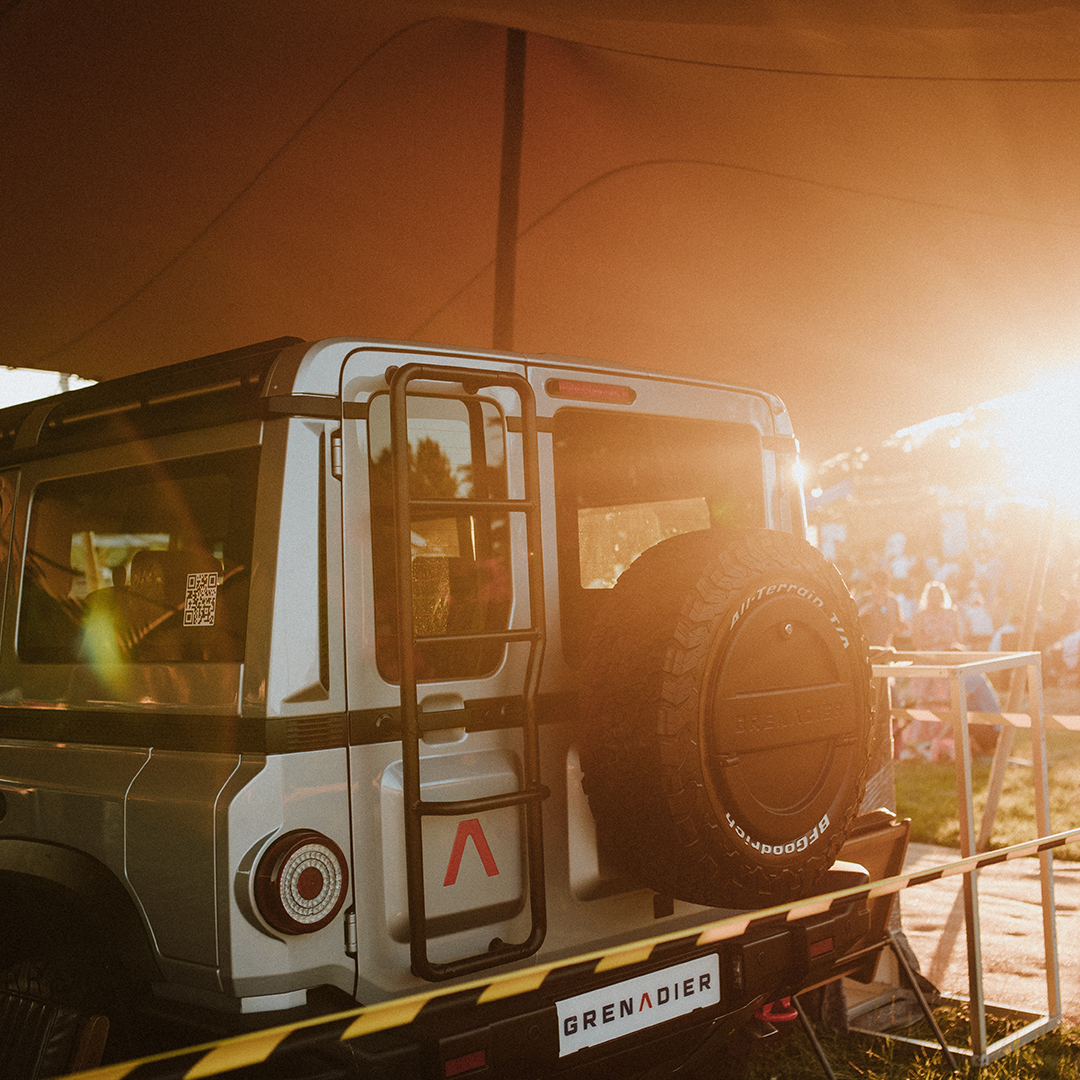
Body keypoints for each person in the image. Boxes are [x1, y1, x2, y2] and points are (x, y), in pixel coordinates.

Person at [858, 569, 907, 648]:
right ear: (872, 583)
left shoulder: (893, 601)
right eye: (878, 583)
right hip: (865, 648)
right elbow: (849, 621)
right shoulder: (863, 599)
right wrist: (862, 613)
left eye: (884, 583)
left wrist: (901, 628)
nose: (881, 586)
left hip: (885, 650)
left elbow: (899, 627)